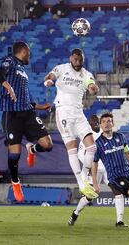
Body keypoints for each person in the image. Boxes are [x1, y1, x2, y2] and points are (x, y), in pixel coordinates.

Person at [0, 41, 53, 203]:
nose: (30, 55)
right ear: (24, 51)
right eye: (29, 52)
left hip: (28, 114)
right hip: (12, 115)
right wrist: (8, 87)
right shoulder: (10, 61)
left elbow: (26, 99)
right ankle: (15, 182)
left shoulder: (22, 70)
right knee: (15, 154)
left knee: (48, 145)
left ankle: (32, 148)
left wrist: (41, 106)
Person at [44, 48, 99, 199]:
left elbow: (91, 85)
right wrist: (49, 80)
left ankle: (84, 176)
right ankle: (81, 183)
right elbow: (51, 75)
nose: (78, 62)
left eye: (80, 60)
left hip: (78, 112)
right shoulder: (62, 68)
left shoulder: (86, 74)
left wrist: (93, 88)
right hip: (63, 111)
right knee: (72, 148)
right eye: (75, 59)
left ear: (83, 59)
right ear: (71, 58)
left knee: (92, 147)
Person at [92, 112, 129, 235]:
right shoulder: (98, 143)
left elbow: (128, 153)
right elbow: (94, 163)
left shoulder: (120, 137)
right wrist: (95, 182)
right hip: (115, 176)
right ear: (100, 125)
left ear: (113, 123)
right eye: (103, 122)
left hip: (128, 173)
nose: (106, 124)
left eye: (109, 121)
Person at [68, 115, 128, 228]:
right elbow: (81, 154)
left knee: (118, 192)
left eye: (97, 122)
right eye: (93, 122)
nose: (95, 123)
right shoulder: (86, 137)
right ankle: (75, 213)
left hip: (108, 168)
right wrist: (89, 165)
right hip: (94, 169)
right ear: (89, 124)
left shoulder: (104, 133)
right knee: (91, 196)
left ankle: (119, 221)